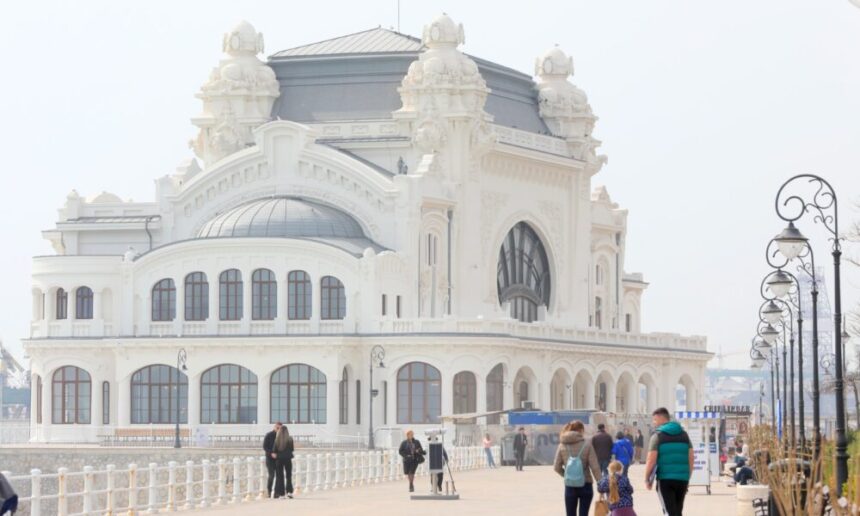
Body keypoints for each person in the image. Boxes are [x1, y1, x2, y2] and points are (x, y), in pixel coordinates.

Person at [644, 407, 693, 516]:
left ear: (662, 419)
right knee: (678, 511)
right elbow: (691, 458)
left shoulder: (657, 436)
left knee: (669, 512)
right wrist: (687, 477)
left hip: (665, 479)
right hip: (682, 480)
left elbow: (651, 460)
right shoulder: (685, 435)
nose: (654, 423)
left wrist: (647, 479)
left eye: (655, 420)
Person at [554, 421, 601, 516]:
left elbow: (556, 467)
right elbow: (595, 467)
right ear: (580, 430)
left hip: (570, 485)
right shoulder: (587, 445)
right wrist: (600, 483)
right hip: (586, 484)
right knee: (584, 513)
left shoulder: (562, 445)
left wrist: (567, 475)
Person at [273, 425, 295, 499]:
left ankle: (282, 494)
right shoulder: (290, 439)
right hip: (288, 459)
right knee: (288, 476)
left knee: (280, 476)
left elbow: (274, 450)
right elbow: (292, 449)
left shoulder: (277, 440)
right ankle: (289, 492)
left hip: (279, 459)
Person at [262, 421, 282, 497]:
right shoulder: (269, 435)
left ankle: (276, 493)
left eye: (280, 429)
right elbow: (265, 447)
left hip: (278, 459)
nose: (278, 429)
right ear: (274, 427)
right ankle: (269, 491)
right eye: (277, 428)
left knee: (278, 475)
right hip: (270, 459)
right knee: (272, 475)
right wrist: (271, 453)